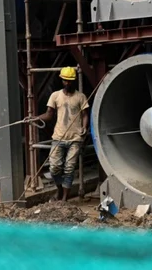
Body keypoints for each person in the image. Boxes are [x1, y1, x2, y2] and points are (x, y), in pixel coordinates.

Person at [34, 66, 89, 202]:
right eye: (65, 80)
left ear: (73, 81)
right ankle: (59, 190)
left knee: (69, 169)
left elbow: (85, 115)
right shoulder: (55, 96)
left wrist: (84, 127)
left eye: (69, 81)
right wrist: (35, 118)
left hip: (75, 138)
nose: (67, 83)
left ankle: (64, 199)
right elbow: (49, 114)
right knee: (54, 168)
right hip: (58, 137)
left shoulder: (80, 97)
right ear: (62, 80)